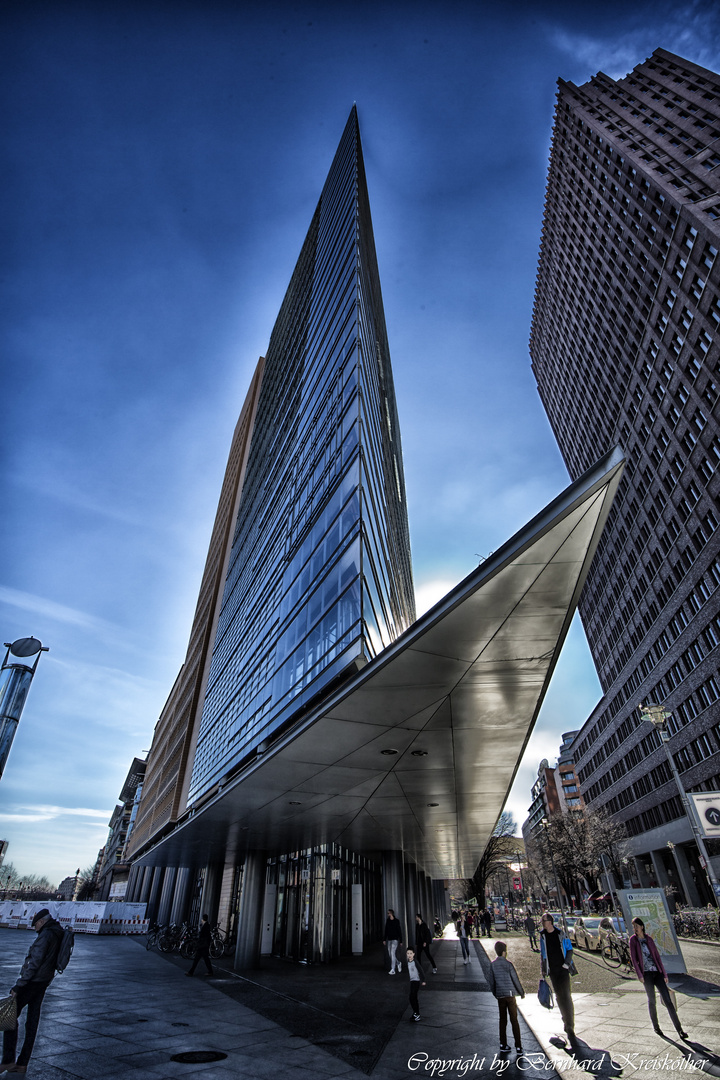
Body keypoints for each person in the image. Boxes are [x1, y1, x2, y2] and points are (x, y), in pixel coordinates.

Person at [2, 908, 64, 1075]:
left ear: (42, 922)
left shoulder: (45, 935)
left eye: (35, 924)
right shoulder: (57, 932)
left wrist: (18, 986)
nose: (34, 927)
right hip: (44, 981)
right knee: (32, 1022)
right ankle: (22, 1063)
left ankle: (8, 1060)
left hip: (33, 982)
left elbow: (34, 963)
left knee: (10, 1016)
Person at [629, 917, 688, 1039]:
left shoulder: (649, 939)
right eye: (633, 926)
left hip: (657, 973)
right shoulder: (633, 941)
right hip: (646, 975)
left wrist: (664, 974)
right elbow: (634, 959)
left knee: (668, 1001)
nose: (635, 929)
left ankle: (680, 1030)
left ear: (642, 927)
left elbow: (657, 957)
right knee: (652, 1001)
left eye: (636, 926)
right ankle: (656, 1027)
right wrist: (639, 975)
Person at [539, 912, 576, 1045]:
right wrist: (543, 968)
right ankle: (565, 1020)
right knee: (559, 997)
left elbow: (570, 949)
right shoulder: (542, 936)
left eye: (545, 920)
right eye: (542, 921)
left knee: (566, 995)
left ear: (550, 922)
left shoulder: (560, 934)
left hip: (563, 970)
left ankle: (570, 1025)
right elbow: (543, 954)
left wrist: (566, 964)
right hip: (552, 971)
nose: (543, 923)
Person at [487, 941, 525, 1055]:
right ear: (504, 952)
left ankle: (503, 1044)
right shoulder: (509, 964)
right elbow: (515, 980)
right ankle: (518, 1046)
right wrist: (521, 992)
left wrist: (495, 993)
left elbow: (491, 982)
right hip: (510, 995)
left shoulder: (492, 965)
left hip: (501, 996)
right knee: (514, 1020)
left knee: (502, 1020)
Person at [405, 948, 426, 1021]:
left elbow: (421, 970)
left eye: (411, 953)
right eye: (408, 953)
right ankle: (416, 1013)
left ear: (414, 954)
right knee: (412, 998)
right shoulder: (408, 962)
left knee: (413, 997)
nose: (409, 955)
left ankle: (417, 1014)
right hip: (412, 981)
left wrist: (423, 980)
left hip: (416, 981)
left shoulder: (415, 962)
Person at [383, 908, 403, 975]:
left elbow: (399, 930)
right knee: (390, 954)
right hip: (389, 939)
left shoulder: (396, 921)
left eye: (388, 913)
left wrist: (401, 940)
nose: (388, 914)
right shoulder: (388, 921)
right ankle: (398, 962)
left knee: (392, 953)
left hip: (395, 939)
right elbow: (386, 930)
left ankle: (393, 969)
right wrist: (384, 939)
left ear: (391, 913)